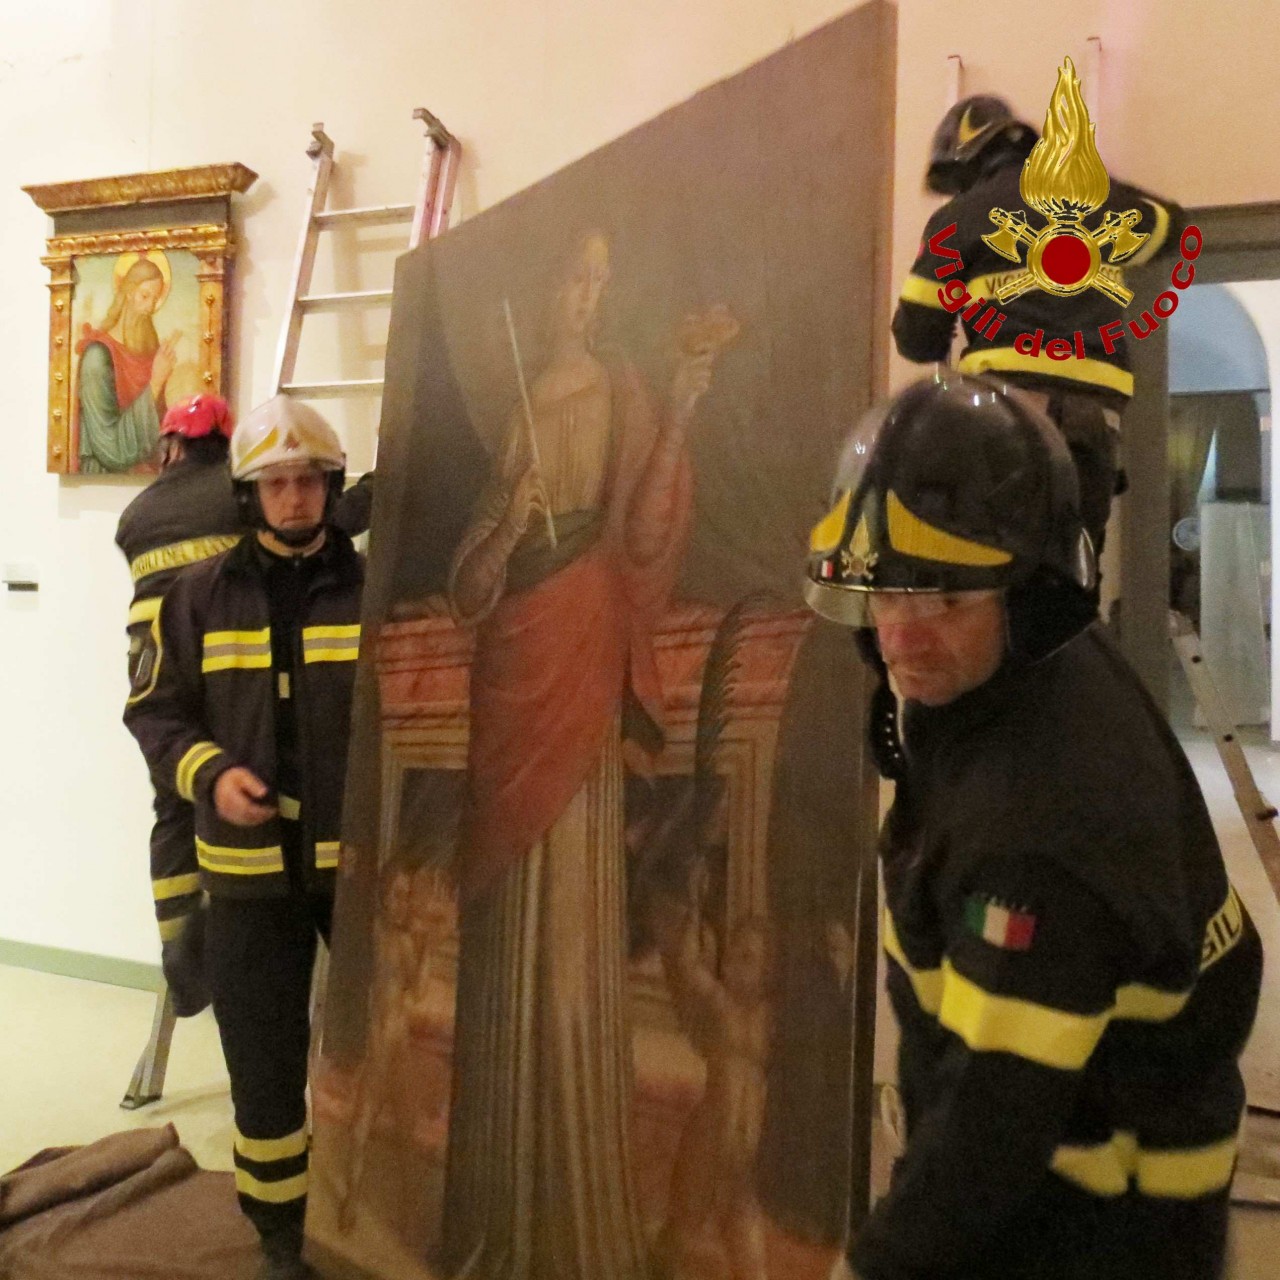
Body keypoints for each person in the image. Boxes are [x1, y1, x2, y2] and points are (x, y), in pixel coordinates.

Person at [804, 372, 1262, 1280]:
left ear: (1029, 594)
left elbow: (992, 1130)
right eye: (885, 596)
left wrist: (873, 1267)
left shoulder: (1041, 839)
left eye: (943, 600)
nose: (901, 639)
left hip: (1086, 1228)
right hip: (1078, 1175)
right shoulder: (1034, 670)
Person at [439, 229, 724, 1279]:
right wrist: (505, 527)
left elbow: (643, 540)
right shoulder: (520, 416)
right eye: (576, 276)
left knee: (570, 913)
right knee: (509, 910)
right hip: (513, 665)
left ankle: (571, 1205)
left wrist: (680, 410)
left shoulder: (622, 390)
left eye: (603, 279)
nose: (590, 296)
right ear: (544, 286)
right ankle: (501, 1203)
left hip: (582, 642)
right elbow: (468, 591)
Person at [124, 395, 364, 1280]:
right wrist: (212, 774)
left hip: (361, 877)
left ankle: (369, 1217)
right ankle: (279, 1237)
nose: (294, 497)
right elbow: (155, 714)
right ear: (248, 495)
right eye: (276, 483)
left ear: (331, 487)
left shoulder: (378, 593)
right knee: (262, 1067)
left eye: (308, 480)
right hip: (247, 881)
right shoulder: (194, 598)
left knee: (377, 1063)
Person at [892, 88, 1183, 559]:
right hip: (1096, 411)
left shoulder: (958, 217)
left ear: (970, 162)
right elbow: (1172, 227)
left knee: (1001, 554)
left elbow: (917, 339)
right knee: (1077, 558)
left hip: (1006, 408)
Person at [117, 394, 242, 1005]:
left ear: (171, 446)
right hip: (221, 669)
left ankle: (179, 957)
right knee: (231, 791)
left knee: (173, 804)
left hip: (153, 674)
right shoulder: (240, 494)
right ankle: (231, 947)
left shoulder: (135, 516)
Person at [77, 255, 180, 473]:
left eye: (155, 299)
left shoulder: (150, 353)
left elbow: (159, 429)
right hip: (105, 476)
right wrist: (155, 382)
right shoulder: (97, 356)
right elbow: (110, 447)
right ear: (129, 292)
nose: (150, 307)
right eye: (145, 296)